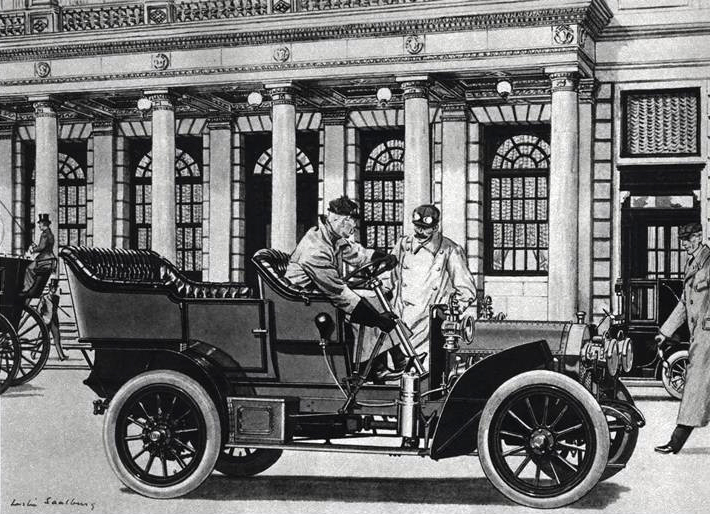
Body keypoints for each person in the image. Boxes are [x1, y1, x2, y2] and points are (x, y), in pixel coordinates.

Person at [285, 196, 400, 377]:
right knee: (368, 308)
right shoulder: (315, 249)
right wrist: (376, 319)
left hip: (318, 297)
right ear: (340, 220)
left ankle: (394, 359)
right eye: (351, 225)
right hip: (305, 304)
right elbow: (338, 292)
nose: (353, 229)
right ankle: (371, 369)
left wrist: (383, 257)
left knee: (376, 299)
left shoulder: (332, 237)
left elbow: (358, 255)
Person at [384, 204, 478, 369]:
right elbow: (388, 278)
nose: (420, 231)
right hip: (401, 320)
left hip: (429, 325)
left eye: (425, 228)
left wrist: (449, 311)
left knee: (425, 373)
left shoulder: (450, 250)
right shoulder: (402, 245)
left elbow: (466, 290)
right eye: (417, 227)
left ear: (435, 227)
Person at [654, 222, 710, 454]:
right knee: (699, 386)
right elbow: (684, 305)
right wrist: (665, 332)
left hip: (707, 334)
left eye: (688, 239)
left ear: (698, 237)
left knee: (696, 385)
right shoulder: (693, 264)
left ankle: (676, 441)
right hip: (701, 333)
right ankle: (676, 441)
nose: (684, 244)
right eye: (683, 240)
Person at [22, 213, 55, 294]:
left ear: (44, 224)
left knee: (29, 269)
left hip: (45, 259)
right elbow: (44, 246)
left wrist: (32, 249)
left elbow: (41, 247)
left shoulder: (44, 234)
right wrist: (36, 247)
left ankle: (27, 288)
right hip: (50, 259)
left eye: (40, 224)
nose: (39, 226)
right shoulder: (50, 233)